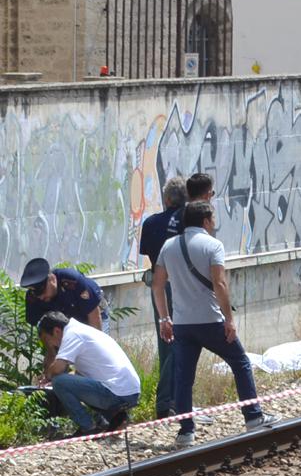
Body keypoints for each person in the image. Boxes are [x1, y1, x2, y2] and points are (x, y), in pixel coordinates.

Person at [153, 200, 278, 448]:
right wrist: (229, 319)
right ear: (206, 221)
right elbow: (220, 284)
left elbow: (157, 284)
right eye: (213, 218)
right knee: (240, 362)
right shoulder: (213, 245)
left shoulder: (168, 246)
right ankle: (253, 416)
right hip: (210, 321)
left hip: (183, 324)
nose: (214, 222)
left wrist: (164, 318)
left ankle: (186, 431)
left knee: (183, 377)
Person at [36, 312, 141, 437]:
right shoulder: (82, 330)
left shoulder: (72, 334)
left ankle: (88, 427)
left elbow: (57, 369)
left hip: (116, 393)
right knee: (75, 379)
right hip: (129, 391)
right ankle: (116, 418)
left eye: (48, 340)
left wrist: (48, 375)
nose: (51, 345)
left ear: (57, 331)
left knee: (59, 381)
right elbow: (81, 376)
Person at [137, 176, 187, 416]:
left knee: (167, 342)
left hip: (159, 285)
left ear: (166, 199)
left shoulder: (150, 223)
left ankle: (172, 400)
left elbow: (148, 254)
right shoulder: (187, 222)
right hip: (183, 285)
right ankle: (168, 400)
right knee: (183, 341)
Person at [21, 258, 108, 331]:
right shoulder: (33, 297)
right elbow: (42, 329)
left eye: (43, 292)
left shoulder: (72, 281)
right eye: (37, 295)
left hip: (93, 312)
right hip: (69, 321)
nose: (41, 297)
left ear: (52, 279)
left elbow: (94, 317)